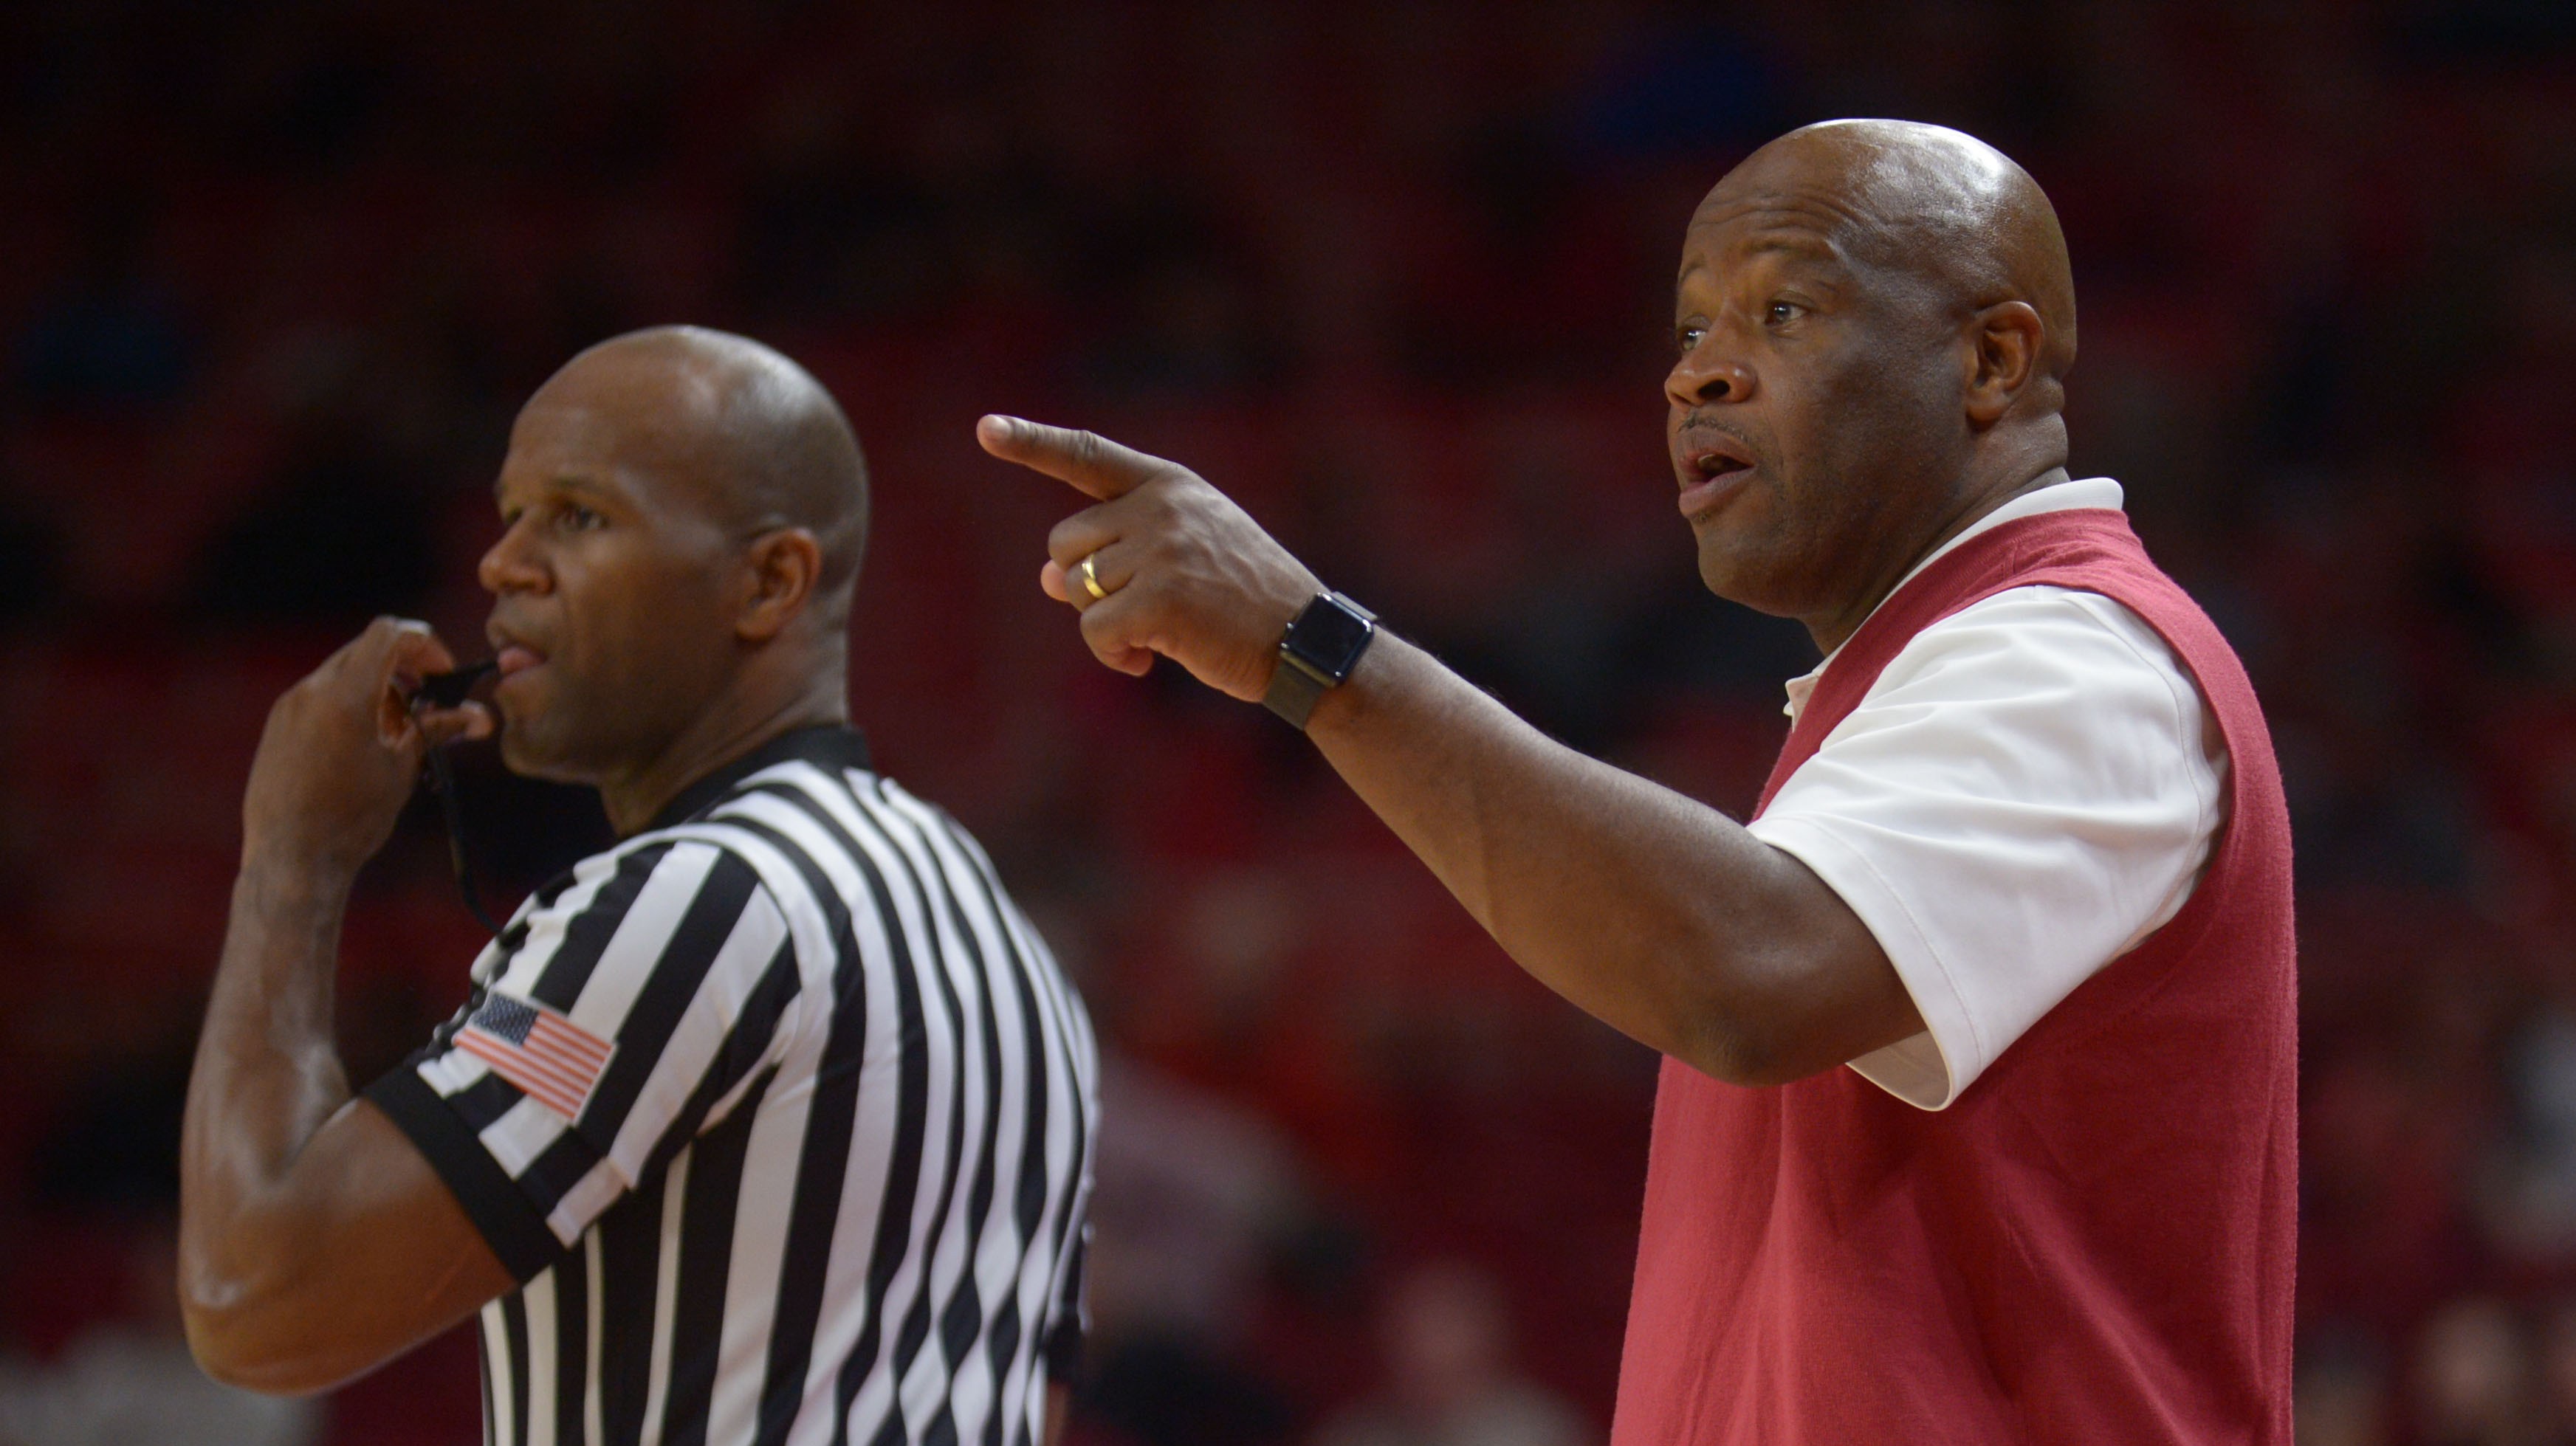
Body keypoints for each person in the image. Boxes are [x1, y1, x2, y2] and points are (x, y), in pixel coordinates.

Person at [979, 119, 2294, 1441]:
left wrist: (1311, 648)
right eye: (1686, 333)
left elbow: (1746, 973)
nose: (1698, 379)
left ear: (1991, 361)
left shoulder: (2074, 657)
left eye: (1781, 310)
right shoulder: (1913, 689)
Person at [179, 326, 1099, 1446]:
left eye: (577, 515)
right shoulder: (997, 934)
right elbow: (1031, 1406)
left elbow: (255, 1308)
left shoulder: (695, 902)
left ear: (769, 581)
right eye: (512, 510)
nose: (502, 563)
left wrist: (294, 856)